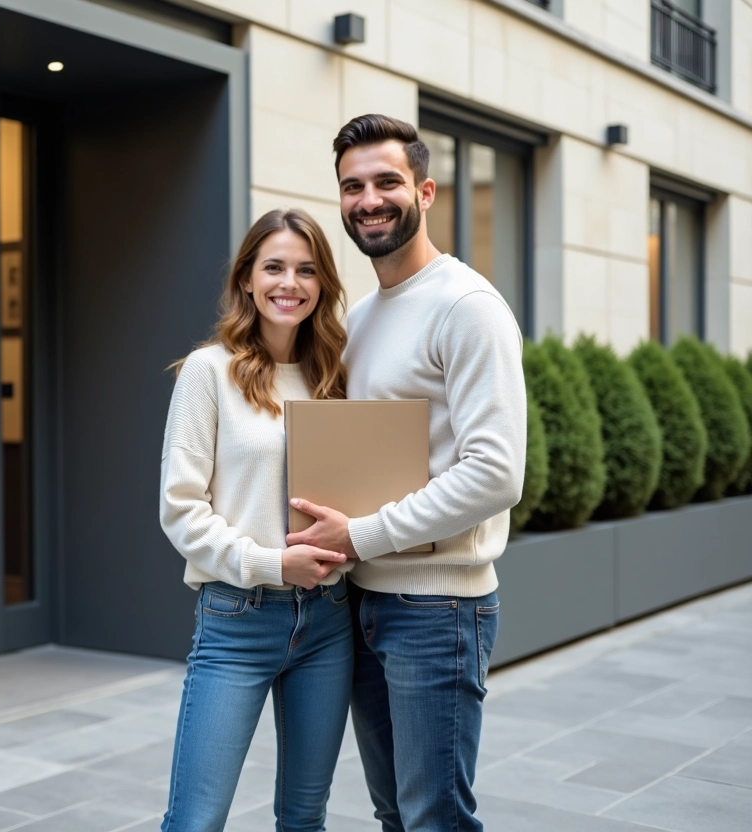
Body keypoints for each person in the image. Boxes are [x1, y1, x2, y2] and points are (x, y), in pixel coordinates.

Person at [287, 114, 526, 831]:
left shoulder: (468, 307)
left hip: (437, 609)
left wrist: (359, 535)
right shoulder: (358, 318)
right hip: (360, 603)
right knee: (395, 811)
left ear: (425, 191)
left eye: (387, 181)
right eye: (352, 186)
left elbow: (495, 474)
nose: (369, 199)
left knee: (434, 817)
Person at [159, 208, 354, 832]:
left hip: (329, 620)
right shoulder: (207, 373)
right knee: (196, 821)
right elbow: (181, 511)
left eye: (306, 270)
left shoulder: (336, 376)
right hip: (237, 620)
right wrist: (272, 563)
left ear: (322, 283)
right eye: (273, 267)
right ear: (246, 277)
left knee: (305, 819)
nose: (288, 283)